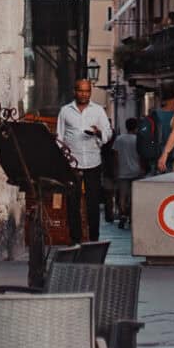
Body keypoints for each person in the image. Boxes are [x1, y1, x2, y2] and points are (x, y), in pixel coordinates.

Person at [56, 77, 113, 241]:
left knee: (93, 204)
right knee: (72, 203)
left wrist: (98, 133)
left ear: (90, 92)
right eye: (81, 90)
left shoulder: (98, 111)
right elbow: (59, 137)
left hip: (93, 162)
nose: (84, 94)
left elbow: (108, 134)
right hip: (72, 163)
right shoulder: (65, 111)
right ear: (75, 91)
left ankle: (94, 240)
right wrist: (64, 157)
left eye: (87, 91)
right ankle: (76, 240)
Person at [112, 117, 143, 228]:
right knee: (134, 196)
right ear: (136, 127)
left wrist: (116, 170)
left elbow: (115, 156)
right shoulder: (138, 140)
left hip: (122, 171)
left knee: (122, 196)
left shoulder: (119, 139)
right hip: (136, 171)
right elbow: (140, 156)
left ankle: (123, 215)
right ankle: (131, 216)